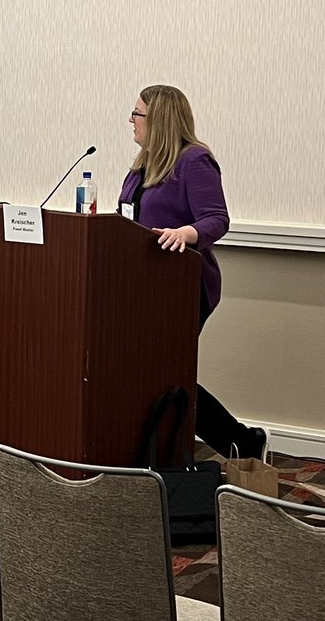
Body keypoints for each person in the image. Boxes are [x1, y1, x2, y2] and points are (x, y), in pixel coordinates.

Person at [118, 84, 266, 459]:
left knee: (167, 373)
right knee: (152, 373)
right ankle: (166, 450)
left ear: (160, 119)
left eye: (137, 114)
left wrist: (187, 232)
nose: (130, 121)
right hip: (141, 284)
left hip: (183, 287)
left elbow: (217, 219)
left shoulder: (194, 161)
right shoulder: (141, 166)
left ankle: (243, 442)